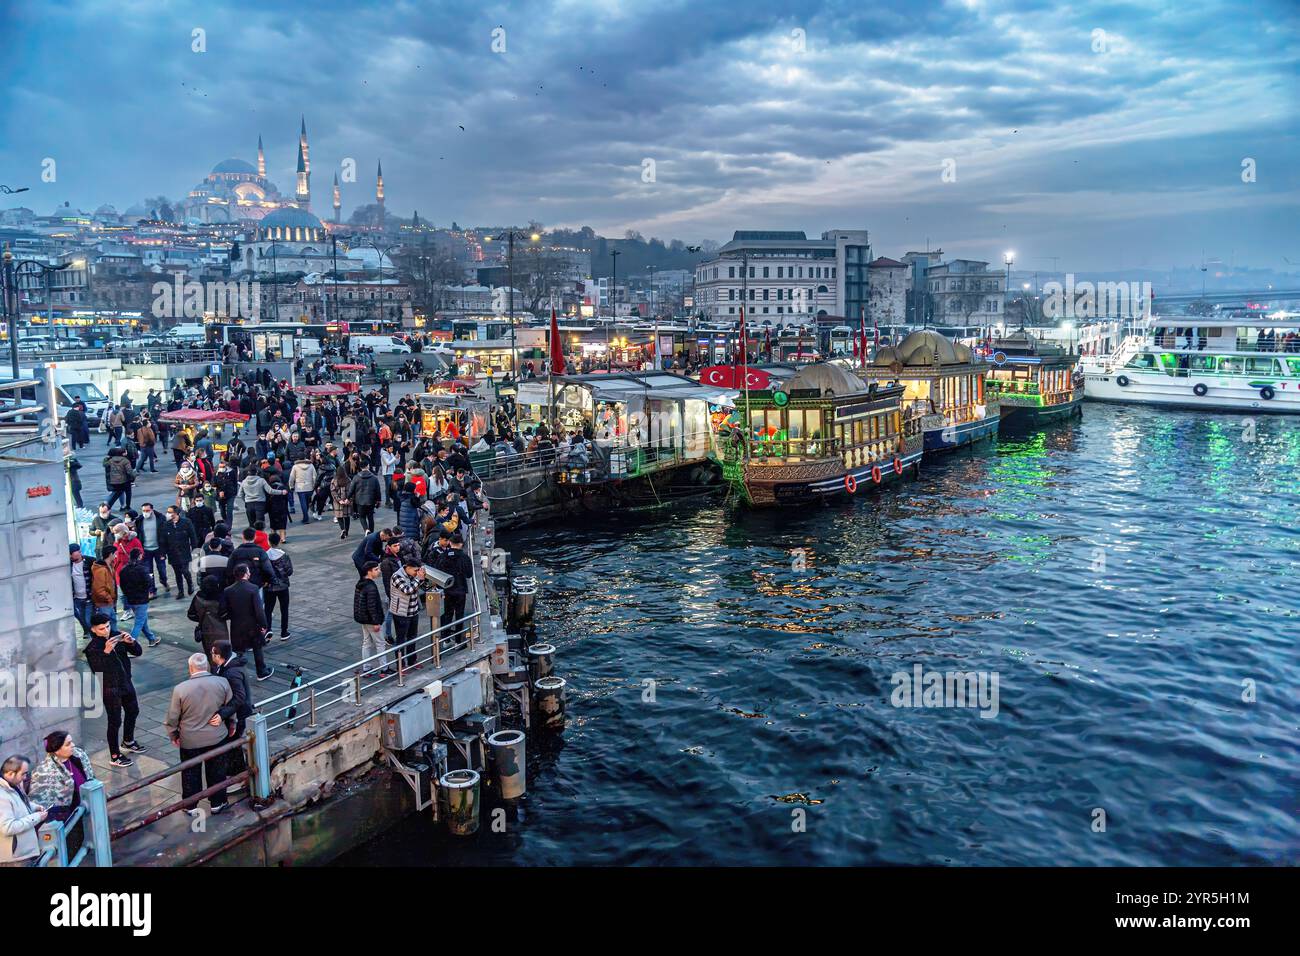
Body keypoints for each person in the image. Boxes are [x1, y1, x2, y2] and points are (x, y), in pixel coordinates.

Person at [164, 653, 233, 815]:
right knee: (217, 770)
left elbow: (173, 717)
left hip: (190, 739)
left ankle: (190, 805)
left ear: (190, 668)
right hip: (217, 736)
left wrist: (173, 734)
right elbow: (230, 707)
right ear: (207, 667)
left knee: (190, 772)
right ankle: (218, 802)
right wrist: (232, 724)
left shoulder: (180, 689)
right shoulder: (222, 682)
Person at [83, 614, 145, 767]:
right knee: (115, 721)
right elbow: (97, 669)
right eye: (101, 628)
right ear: (94, 630)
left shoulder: (117, 636)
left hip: (126, 682)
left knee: (133, 711)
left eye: (108, 626)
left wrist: (131, 642)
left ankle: (128, 741)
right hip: (110, 688)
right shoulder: (92, 648)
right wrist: (106, 652)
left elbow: (138, 652)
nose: (106, 630)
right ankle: (115, 755)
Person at [27, 732, 96, 857]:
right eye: (68, 744)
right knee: (71, 851)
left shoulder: (79, 756)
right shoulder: (43, 772)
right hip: (66, 820)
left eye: (72, 741)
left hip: (85, 810)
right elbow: (40, 803)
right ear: (57, 750)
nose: (73, 745)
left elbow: (90, 777)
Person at [219, 563, 274, 681]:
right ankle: (261, 671)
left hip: (236, 626)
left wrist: (233, 616)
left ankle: (238, 674)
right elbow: (259, 610)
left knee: (238, 651)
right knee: (257, 648)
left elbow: (223, 610)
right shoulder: (253, 588)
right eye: (248, 571)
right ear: (245, 574)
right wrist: (264, 625)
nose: (250, 573)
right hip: (252, 625)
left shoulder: (228, 590)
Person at [210, 640, 253, 779]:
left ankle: (237, 775)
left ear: (218, 656)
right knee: (233, 744)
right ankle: (237, 773)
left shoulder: (231, 672)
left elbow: (239, 697)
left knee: (233, 744)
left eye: (212, 653)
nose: (211, 655)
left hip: (238, 714)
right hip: (236, 713)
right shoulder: (229, 666)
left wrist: (223, 714)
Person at [0, 755, 45, 867]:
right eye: (23, 774)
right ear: (10, 774)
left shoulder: (11, 786)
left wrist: (34, 807)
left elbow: (16, 804)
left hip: (19, 855)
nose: (25, 777)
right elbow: (8, 827)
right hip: (14, 859)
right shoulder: (2, 796)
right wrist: (37, 817)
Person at [388, 557, 426, 671]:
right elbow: (408, 590)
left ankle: (412, 660)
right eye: (415, 570)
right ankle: (401, 665)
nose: (416, 573)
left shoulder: (413, 575)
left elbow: (419, 587)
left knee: (412, 637)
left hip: (413, 611)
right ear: (407, 568)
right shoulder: (397, 576)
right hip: (401, 613)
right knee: (401, 639)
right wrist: (418, 579)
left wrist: (421, 578)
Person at [353, 560, 388, 675]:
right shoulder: (371, 587)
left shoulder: (361, 583)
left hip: (363, 619)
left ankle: (366, 667)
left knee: (367, 643)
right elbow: (372, 606)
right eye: (376, 569)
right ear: (369, 571)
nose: (378, 571)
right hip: (372, 621)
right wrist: (376, 622)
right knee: (380, 643)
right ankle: (384, 668)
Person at [119, 549, 159, 647]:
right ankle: (131, 645)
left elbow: (122, 585)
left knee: (142, 620)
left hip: (131, 599)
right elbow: (148, 583)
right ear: (139, 556)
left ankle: (152, 639)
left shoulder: (124, 570)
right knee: (139, 623)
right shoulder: (142, 569)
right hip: (141, 600)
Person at [159, 504, 199, 599]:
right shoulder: (166, 525)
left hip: (184, 551)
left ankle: (190, 584)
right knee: (177, 573)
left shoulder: (186, 522)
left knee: (185, 570)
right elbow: (163, 540)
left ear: (176, 513)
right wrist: (162, 553)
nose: (168, 514)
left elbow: (193, 536)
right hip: (172, 553)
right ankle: (180, 591)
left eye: (170, 512)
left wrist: (195, 548)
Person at [188, 573, 229, 657]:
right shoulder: (219, 598)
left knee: (210, 655)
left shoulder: (198, 597)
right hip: (220, 631)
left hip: (205, 631)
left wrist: (202, 619)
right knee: (223, 656)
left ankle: (213, 669)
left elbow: (191, 614)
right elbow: (225, 614)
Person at [263, 532, 293, 643]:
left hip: (269, 587)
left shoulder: (265, 555)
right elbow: (289, 571)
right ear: (279, 541)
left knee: (268, 610)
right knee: (284, 609)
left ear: (269, 542)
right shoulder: (284, 555)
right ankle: (284, 632)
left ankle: (267, 630)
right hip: (283, 586)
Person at [90, 546, 119, 634]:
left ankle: (115, 644)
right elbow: (99, 589)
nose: (116, 556)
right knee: (107, 627)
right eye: (115, 554)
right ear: (111, 554)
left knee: (113, 624)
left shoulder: (110, 566)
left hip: (109, 602)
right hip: (104, 603)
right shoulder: (101, 570)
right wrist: (109, 599)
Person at [347, 464, 382, 534]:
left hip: (360, 500)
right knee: (370, 517)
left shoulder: (356, 477)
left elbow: (351, 489)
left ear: (360, 467)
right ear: (368, 466)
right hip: (371, 500)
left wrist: (348, 497)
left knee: (362, 516)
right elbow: (378, 490)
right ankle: (371, 532)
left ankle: (366, 529)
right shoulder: (374, 478)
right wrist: (379, 500)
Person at [102, 447, 136, 512]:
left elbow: (106, 465)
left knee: (116, 494)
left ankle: (109, 506)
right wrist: (134, 476)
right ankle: (127, 506)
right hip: (125, 480)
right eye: (125, 452)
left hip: (114, 481)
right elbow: (129, 472)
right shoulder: (125, 460)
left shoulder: (110, 460)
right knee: (128, 493)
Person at [69, 544, 92, 636]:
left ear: (79, 552)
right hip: (77, 598)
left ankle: (95, 638)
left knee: (88, 620)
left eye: (71, 554)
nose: (70, 556)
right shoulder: (69, 565)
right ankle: (88, 633)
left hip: (89, 597)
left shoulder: (89, 561)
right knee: (82, 618)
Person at [288, 456, 317, 524]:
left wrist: (291, 486)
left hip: (300, 487)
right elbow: (314, 476)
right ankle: (305, 516)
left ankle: (306, 518)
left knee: (303, 503)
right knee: (307, 502)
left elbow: (292, 477)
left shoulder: (295, 466)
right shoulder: (311, 465)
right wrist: (314, 485)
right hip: (309, 487)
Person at [331, 468, 352, 539]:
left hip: (338, 502)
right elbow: (351, 491)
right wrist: (348, 499)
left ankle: (343, 529)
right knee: (347, 517)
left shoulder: (334, 480)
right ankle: (347, 531)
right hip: (346, 501)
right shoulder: (348, 480)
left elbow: (333, 491)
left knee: (339, 516)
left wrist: (339, 500)